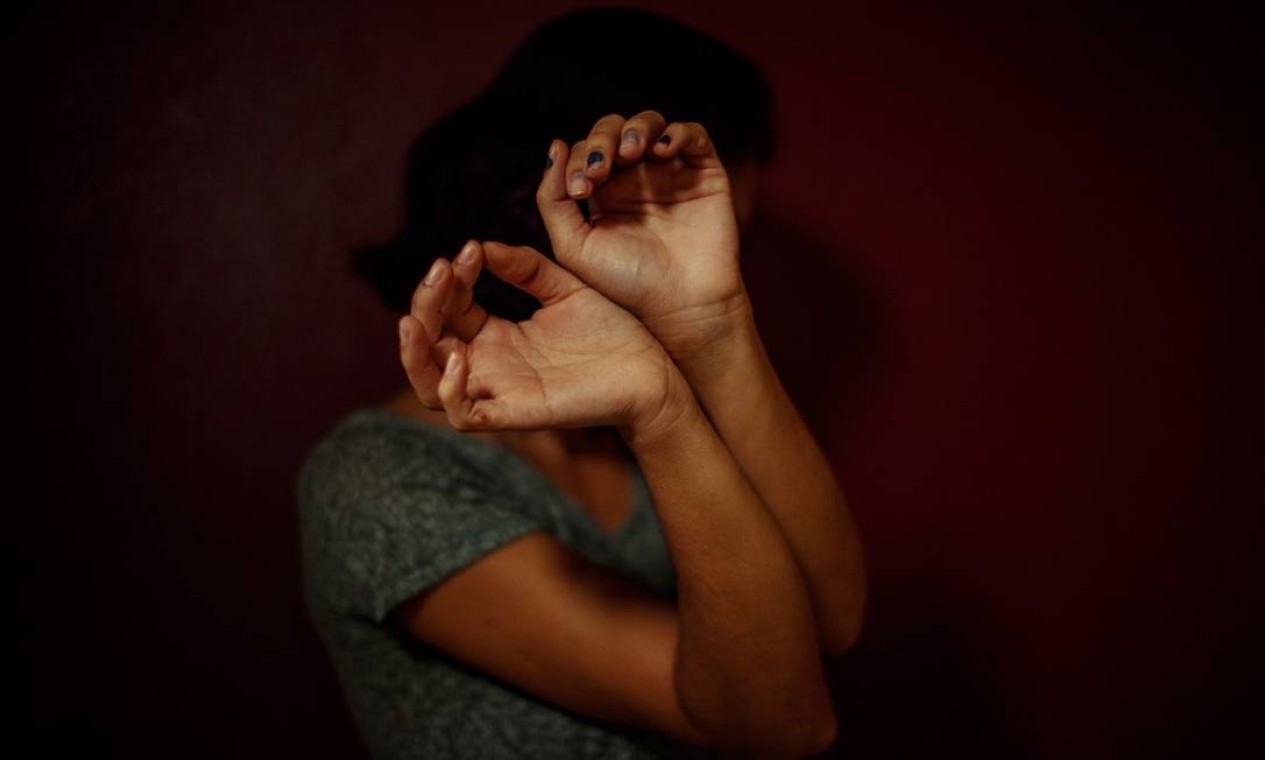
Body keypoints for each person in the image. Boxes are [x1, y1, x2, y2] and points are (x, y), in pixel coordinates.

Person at [298, 8, 866, 759]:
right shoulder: (378, 478)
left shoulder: (638, 437)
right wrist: (662, 414)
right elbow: (783, 720)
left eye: (735, 248)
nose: (703, 260)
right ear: (566, 192)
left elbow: (832, 622)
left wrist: (715, 322)